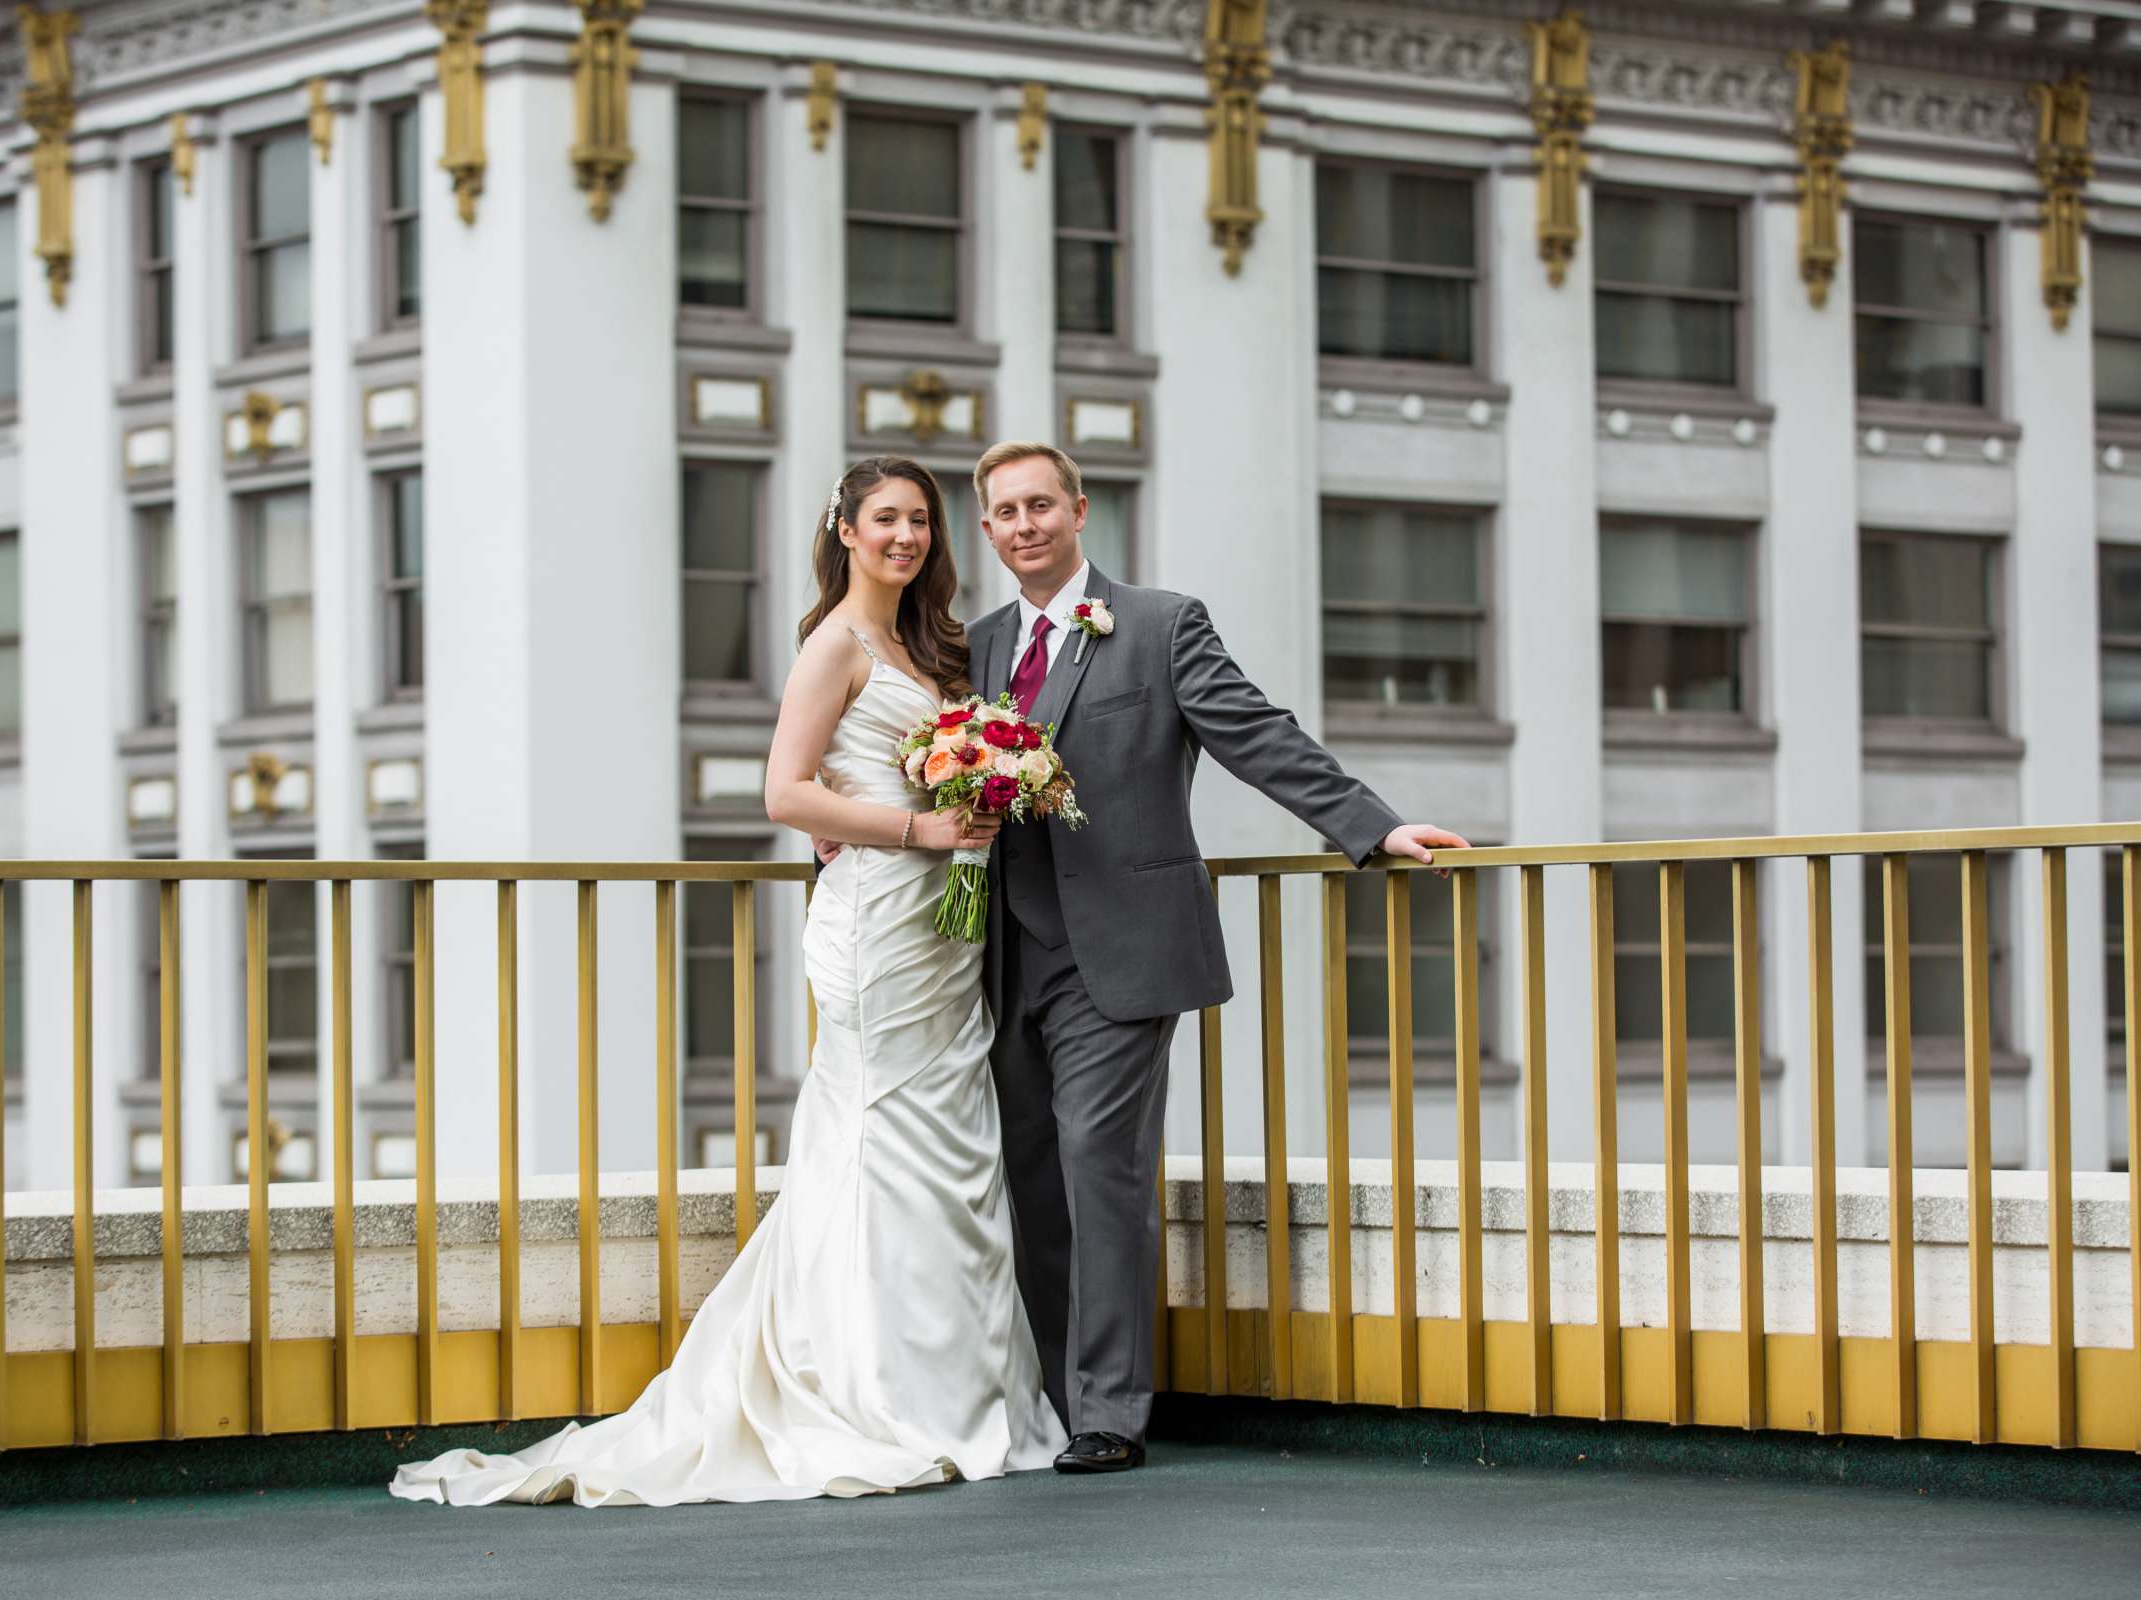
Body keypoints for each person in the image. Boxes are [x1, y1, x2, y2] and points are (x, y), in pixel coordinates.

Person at [389, 456, 1065, 1507]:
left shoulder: (932, 645)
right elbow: (785, 793)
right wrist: (913, 826)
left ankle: (956, 1390)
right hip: (876, 926)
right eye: (886, 518)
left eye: (921, 521)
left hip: (942, 930)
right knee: (880, 1138)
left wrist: (975, 804)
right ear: (844, 527)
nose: (906, 536)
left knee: (954, 1142)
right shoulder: (832, 645)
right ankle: (865, 1390)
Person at [830, 441, 1466, 1473]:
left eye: (1043, 504)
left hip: (1119, 958)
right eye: (1005, 511)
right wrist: (853, 823)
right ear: (987, 531)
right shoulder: (972, 647)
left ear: (1079, 512)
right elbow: (908, 757)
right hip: (992, 957)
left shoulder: (1164, 624)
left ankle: (1110, 1411)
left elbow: (1259, 733)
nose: (1025, 523)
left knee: (1100, 1169)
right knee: (1028, 1173)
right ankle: (1044, 1395)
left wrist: (1372, 826)